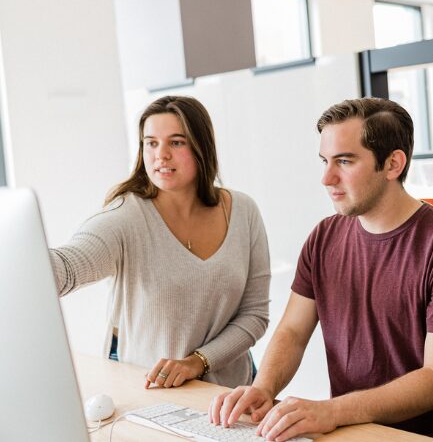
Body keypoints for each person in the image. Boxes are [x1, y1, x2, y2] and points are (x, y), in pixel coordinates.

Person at [210, 98, 433, 441]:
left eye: (344, 161)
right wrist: (263, 387)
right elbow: (293, 332)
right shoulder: (324, 237)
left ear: (392, 164)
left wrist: (332, 410)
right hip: (345, 434)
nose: (327, 177)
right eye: (325, 161)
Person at [51, 95, 270, 389]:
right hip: (151, 395)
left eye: (176, 142)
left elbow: (254, 315)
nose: (160, 155)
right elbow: (70, 266)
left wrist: (197, 361)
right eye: (151, 143)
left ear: (201, 147)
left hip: (231, 393)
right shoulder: (125, 216)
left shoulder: (243, 211)